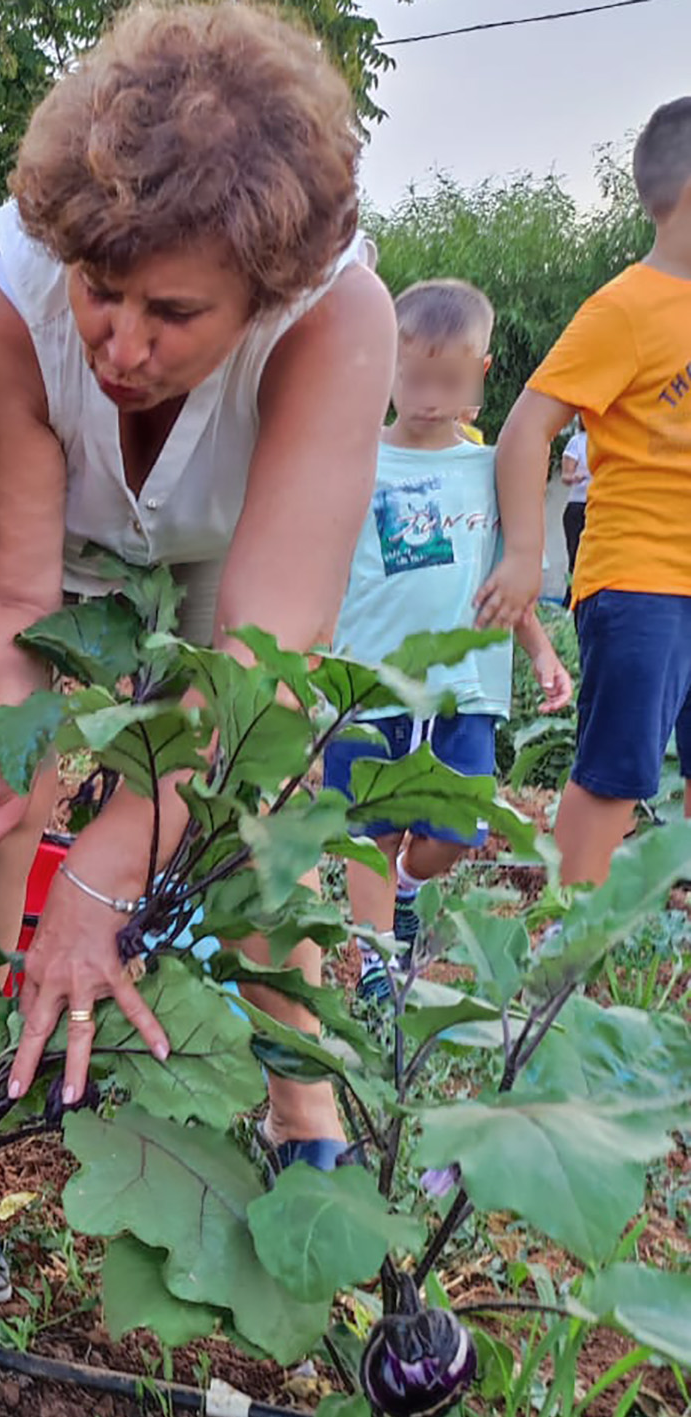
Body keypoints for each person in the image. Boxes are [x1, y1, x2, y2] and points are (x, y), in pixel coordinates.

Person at [0, 1, 397, 1171]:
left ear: (263, 294)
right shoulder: (8, 288)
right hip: (69, 535)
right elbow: (12, 595)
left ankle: (300, 1111)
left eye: (172, 313)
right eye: (101, 288)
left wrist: (113, 867)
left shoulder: (335, 322)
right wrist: (27, 771)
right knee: (3, 776)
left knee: (258, 784)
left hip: (233, 541)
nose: (117, 344)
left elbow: (264, 660)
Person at [323, 279, 573, 1007]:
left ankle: (409, 886)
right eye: (414, 378)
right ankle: (374, 961)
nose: (429, 397)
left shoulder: (488, 470)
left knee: (459, 826)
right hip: (366, 680)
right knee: (368, 823)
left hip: (465, 684)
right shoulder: (359, 459)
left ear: (482, 375)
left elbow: (505, 577)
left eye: (449, 381)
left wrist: (540, 652)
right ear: (387, 366)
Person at [495, 97, 691, 885]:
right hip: (642, 578)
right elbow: (525, 429)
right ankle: (561, 960)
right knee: (616, 772)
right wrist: (521, 554)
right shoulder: (626, 308)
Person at [559, 418, 591, 576]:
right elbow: (566, 476)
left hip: (601, 506)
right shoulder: (577, 441)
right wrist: (577, 477)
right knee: (576, 556)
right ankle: (571, 595)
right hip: (579, 505)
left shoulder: (611, 440)